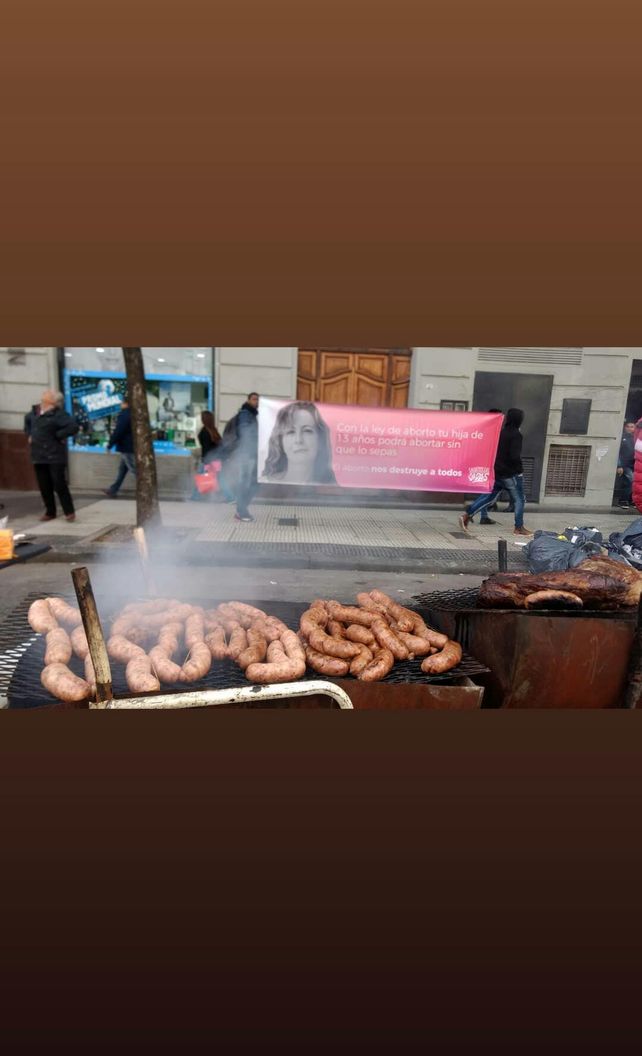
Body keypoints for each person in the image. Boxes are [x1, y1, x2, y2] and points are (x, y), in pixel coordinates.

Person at [459, 408, 532, 536]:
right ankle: (519, 527)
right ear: (519, 420)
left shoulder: (501, 433)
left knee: (489, 496)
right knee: (519, 499)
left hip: (498, 471)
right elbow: (514, 456)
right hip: (511, 474)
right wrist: (519, 471)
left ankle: (467, 515)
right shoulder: (516, 435)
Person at [29, 389, 79, 522]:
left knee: (59, 484)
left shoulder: (59, 415)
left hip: (54, 455)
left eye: (44, 399)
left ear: (52, 402)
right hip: (38, 454)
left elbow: (73, 427)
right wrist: (29, 434)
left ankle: (69, 511)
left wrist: (58, 435)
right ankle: (50, 512)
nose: (42, 400)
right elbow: (28, 422)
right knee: (44, 485)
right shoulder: (35, 412)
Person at [262, 400, 337, 485]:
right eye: (291, 432)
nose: (298, 440)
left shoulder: (332, 489)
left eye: (307, 431)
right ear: (280, 442)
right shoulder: (264, 484)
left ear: (320, 440)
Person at [468, 408, 503, 525]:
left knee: (487, 491)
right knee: (488, 492)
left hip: (484, 464)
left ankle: (483, 515)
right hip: (489, 465)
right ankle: (472, 510)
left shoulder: (484, 429)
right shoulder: (493, 431)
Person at [102, 398, 136, 497]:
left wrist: (110, 444)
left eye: (122, 402)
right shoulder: (133, 414)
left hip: (127, 447)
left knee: (134, 470)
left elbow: (118, 431)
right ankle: (113, 489)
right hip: (129, 446)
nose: (120, 404)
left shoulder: (125, 415)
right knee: (122, 469)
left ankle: (147, 491)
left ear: (126, 403)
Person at [234, 392, 260, 522]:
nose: (257, 402)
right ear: (248, 400)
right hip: (246, 454)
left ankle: (242, 509)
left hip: (250, 453)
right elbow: (245, 433)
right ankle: (241, 510)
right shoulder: (245, 414)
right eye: (254, 399)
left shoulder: (252, 414)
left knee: (252, 482)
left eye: (258, 400)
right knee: (247, 482)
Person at [616, 421, 635, 509]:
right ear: (624, 427)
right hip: (624, 465)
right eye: (628, 426)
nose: (630, 428)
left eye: (632, 427)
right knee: (630, 481)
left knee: (634, 482)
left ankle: (631, 500)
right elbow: (617, 452)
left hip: (634, 465)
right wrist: (619, 465)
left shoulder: (636, 438)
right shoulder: (621, 437)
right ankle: (623, 500)